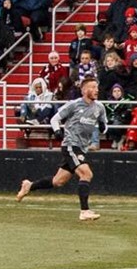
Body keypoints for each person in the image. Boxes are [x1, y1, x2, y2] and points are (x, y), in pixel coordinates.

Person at [15, 77, 106, 221]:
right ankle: (85, 211)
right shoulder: (74, 105)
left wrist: (102, 127)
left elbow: (104, 126)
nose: (96, 90)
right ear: (84, 90)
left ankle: (29, 186)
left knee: (58, 181)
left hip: (82, 147)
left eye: (97, 87)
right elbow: (54, 119)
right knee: (86, 174)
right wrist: (57, 131)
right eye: (93, 87)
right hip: (71, 144)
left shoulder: (99, 107)